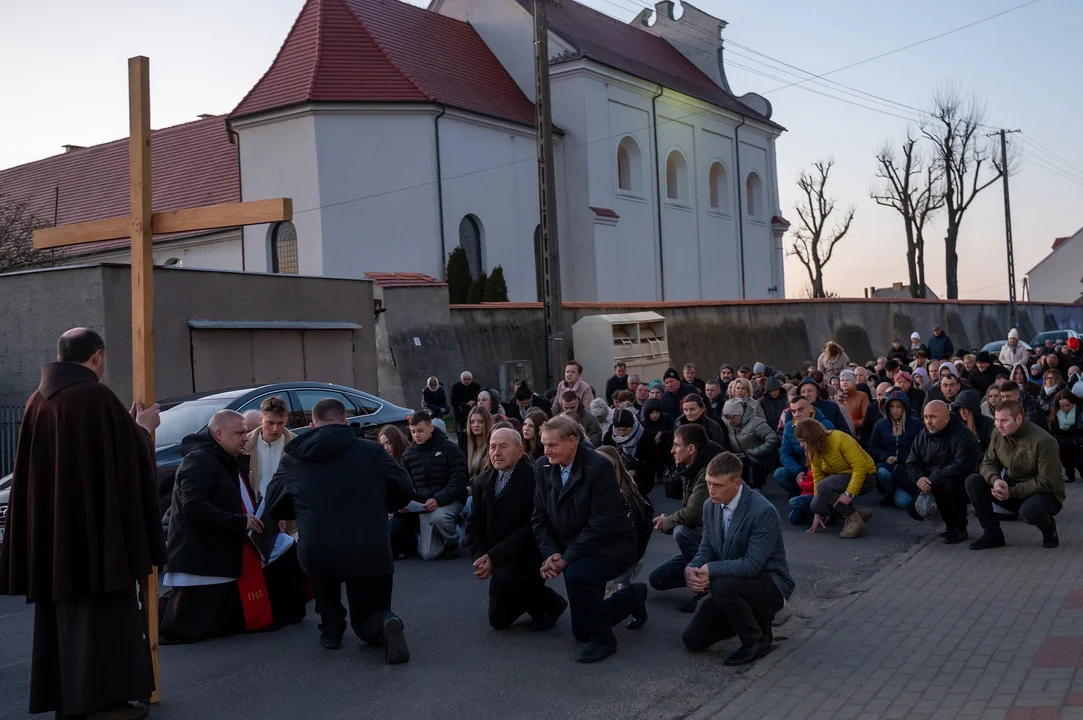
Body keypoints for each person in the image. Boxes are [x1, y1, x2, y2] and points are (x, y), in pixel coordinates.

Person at [0, 328, 167, 719]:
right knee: (102, 622)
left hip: (59, 538)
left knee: (65, 622)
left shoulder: (37, 402)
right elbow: (124, 464)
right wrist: (144, 431)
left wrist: (126, 429)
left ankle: (69, 699)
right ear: (97, 356)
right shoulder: (95, 396)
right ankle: (100, 705)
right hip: (95, 541)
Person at [264, 398, 413, 660]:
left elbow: (274, 502)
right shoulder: (373, 452)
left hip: (319, 547)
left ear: (312, 426)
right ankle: (382, 623)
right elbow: (404, 490)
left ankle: (331, 630)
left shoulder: (294, 459)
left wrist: (302, 512)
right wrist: (380, 505)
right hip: (370, 546)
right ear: (345, 421)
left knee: (323, 582)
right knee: (369, 612)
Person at [159, 410, 308, 644]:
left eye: (246, 432)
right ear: (218, 433)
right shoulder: (199, 460)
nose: (246, 438)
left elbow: (235, 498)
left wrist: (266, 516)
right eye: (239, 432)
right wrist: (240, 522)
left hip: (227, 537)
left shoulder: (224, 457)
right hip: (204, 548)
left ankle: (282, 611)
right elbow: (193, 507)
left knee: (285, 549)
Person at [532, 416, 645, 663]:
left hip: (612, 544)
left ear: (572, 441)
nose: (546, 451)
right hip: (574, 548)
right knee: (580, 631)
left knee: (578, 574)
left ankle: (604, 641)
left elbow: (601, 523)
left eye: (552, 445)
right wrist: (551, 553)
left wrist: (567, 557)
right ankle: (633, 596)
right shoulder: (542, 467)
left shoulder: (598, 466)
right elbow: (539, 517)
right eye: (544, 444)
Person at [681, 452, 795, 665]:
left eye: (718, 485)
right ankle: (754, 618)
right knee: (692, 640)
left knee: (721, 584)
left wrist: (710, 570)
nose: (711, 491)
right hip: (733, 584)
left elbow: (752, 566)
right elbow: (706, 548)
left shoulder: (762, 511)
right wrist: (692, 569)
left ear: (737, 483)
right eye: (708, 483)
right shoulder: (710, 505)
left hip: (771, 585)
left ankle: (756, 640)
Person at [467, 427, 568, 630]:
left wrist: (494, 558)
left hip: (529, 552)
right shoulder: (482, 482)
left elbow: (532, 528)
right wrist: (480, 557)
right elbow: (474, 524)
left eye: (503, 447)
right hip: (499, 556)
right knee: (498, 621)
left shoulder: (535, 479)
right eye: (492, 447)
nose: (496, 452)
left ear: (520, 450)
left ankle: (551, 603)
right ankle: (525, 594)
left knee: (508, 579)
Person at [966, 400, 1065, 550]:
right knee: (973, 481)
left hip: (1045, 494)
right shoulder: (998, 434)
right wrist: (996, 480)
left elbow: (1046, 482)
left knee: (1028, 511)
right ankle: (992, 533)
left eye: (1004, 421)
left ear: (1018, 419)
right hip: (1011, 488)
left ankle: (1049, 528)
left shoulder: (1044, 441)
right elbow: (987, 463)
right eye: (996, 420)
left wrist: (1011, 492)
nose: (999, 425)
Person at [648, 424, 723, 612]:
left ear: (691, 449)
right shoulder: (691, 465)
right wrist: (671, 520)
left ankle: (711, 590)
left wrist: (670, 522)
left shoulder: (708, 471)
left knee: (683, 532)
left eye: (676, 445)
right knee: (658, 579)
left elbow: (694, 513)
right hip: (705, 535)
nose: (672, 450)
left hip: (720, 540)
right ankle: (706, 575)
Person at [906, 401, 982, 544]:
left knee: (949, 488)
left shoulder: (963, 435)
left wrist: (933, 478)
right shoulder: (922, 435)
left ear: (946, 418)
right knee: (913, 509)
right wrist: (919, 478)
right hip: (930, 481)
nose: (928, 421)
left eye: (933, 417)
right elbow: (912, 461)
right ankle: (946, 523)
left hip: (956, 482)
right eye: (926, 417)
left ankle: (959, 528)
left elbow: (962, 464)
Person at [397, 411, 468, 560]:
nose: (416, 435)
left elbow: (459, 481)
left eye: (420, 430)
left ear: (431, 427)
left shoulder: (450, 448)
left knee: (440, 517)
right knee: (429, 554)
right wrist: (405, 503)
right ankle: (441, 533)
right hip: (424, 505)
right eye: (413, 431)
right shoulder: (408, 455)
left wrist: (438, 499)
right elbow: (406, 485)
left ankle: (452, 540)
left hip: (449, 500)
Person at [794, 419, 876, 539]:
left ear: (811, 437)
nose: (801, 445)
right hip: (840, 479)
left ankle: (854, 520)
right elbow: (818, 478)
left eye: (803, 441)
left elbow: (860, 467)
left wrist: (849, 494)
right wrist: (818, 513)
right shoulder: (813, 451)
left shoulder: (839, 438)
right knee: (816, 505)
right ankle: (856, 514)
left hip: (866, 477)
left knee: (823, 486)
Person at [868, 390, 922, 509]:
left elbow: (921, 447)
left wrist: (907, 459)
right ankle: (890, 492)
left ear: (905, 408)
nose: (895, 410)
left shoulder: (916, 424)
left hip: (906, 467)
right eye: (892, 406)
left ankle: (900, 489)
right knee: (882, 473)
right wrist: (885, 456)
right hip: (888, 465)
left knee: (904, 502)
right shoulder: (881, 424)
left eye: (899, 406)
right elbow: (872, 447)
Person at [773, 394, 835, 498]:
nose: (797, 414)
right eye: (793, 411)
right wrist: (798, 471)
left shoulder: (825, 425)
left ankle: (818, 497)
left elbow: (832, 453)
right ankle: (801, 495)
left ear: (810, 408)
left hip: (821, 467)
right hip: (801, 466)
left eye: (800, 410)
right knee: (780, 474)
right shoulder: (789, 427)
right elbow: (784, 453)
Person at [244, 395, 295, 502]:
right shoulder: (244, 444)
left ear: (286, 421)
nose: (275, 429)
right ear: (260, 420)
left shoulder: (296, 445)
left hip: (285, 509)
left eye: (280, 423)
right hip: (254, 508)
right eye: (270, 423)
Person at [722, 398, 778, 488]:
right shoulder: (727, 425)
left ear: (741, 414)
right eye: (727, 417)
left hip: (757, 460)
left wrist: (756, 451)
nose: (730, 420)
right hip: (738, 456)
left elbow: (772, 439)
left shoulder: (755, 422)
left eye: (733, 417)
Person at [608, 408, 662, 495]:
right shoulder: (609, 437)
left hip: (641, 479)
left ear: (632, 426)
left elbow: (653, 462)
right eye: (618, 430)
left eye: (625, 430)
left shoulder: (646, 437)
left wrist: (635, 472)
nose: (621, 434)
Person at [1050, 390, 1083, 483]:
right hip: (1064, 442)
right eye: (1062, 406)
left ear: (1073, 402)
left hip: (1078, 441)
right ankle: (1069, 473)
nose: (1065, 408)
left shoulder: (1080, 410)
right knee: (1064, 450)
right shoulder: (1056, 413)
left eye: (1068, 405)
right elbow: (1054, 431)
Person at [450, 371, 482, 446]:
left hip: (473, 412)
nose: (466, 381)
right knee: (461, 433)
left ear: (471, 379)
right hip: (460, 414)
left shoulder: (476, 387)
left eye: (468, 379)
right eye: (464, 379)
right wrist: (463, 404)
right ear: (461, 379)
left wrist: (473, 401)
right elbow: (453, 401)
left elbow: (479, 398)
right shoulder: (455, 387)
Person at [465, 405, 495, 482]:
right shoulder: (464, 445)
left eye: (480, 422)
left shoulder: (492, 447)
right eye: (472, 422)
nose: (475, 425)